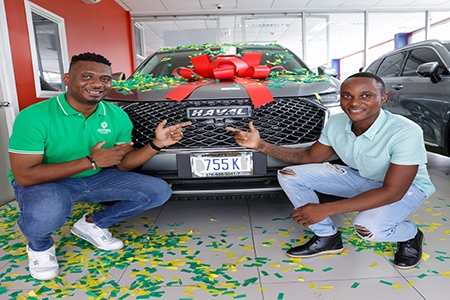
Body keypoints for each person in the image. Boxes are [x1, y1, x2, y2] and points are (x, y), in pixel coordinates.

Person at [8, 52, 191, 280]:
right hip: (46, 182)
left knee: (158, 191)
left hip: (95, 178)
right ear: (67, 79)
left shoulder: (116, 115)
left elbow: (124, 165)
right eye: (87, 76)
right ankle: (40, 246)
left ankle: (92, 224)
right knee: (49, 210)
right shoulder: (33, 117)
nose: (97, 84)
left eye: (105, 79)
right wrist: (91, 161)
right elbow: (24, 176)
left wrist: (157, 144)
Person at [226, 72, 435, 269]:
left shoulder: (405, 131)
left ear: (383, 98)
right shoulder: (337, 122)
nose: (354, 103)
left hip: (408, 188)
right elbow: (308, 158)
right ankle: (327, 238)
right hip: (365, 178)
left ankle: (410, 234)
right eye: (347, 96)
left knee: (369, 229)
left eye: (366, 96)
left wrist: (325, 209)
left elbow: (393, 192)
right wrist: (260, 145)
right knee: (289, 175)